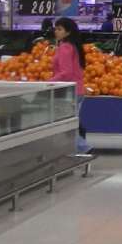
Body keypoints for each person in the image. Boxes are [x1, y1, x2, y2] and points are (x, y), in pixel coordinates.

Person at [51, 17, 91, 154]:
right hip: (78, 90)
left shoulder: (65, 47)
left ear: (68, 32)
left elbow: (66, 73)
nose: (56, 31)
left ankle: (82, 147)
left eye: (59, 29)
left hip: (68, 91)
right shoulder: (74, 46)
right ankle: (79, 148)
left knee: (64, 124)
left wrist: (49, 82)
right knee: (70, 122)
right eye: (55, 28)